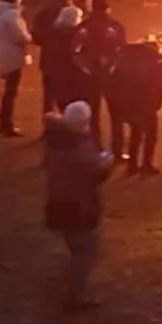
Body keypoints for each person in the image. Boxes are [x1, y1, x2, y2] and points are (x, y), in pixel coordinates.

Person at [42, 101, 113, 313]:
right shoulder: (79, 147)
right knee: (86, 252)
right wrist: (106, 163)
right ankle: (74, 296)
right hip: (78, 205)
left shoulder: (54, 140)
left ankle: (69, 288)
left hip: (57, 200)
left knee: (75, 248)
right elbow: (94, 173)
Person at [70, 0, 126, 150]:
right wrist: (113, 66)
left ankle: (95, 146)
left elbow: (75, 50)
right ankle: (117, 149)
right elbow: (122, 50)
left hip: (90, 76)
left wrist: (85, 68)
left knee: (93, 114)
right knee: (116, 114)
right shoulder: (115, 26)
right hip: (111, 76)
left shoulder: (84, 27)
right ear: (108, 8)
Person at [108, 38, 162, 176]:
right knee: (151, 135)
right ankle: (147, 165)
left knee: (135, 133)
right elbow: (158, 84)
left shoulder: (124, 59)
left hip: (129, 103)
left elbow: (114, 81)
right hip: (146, 102)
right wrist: (157, 103)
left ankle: (132, 166)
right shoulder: (151, 61)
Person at [0, 0, 31, 137]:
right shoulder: (12, 15)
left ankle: (5, 122)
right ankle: (6, 123)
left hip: (3, 53)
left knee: (9, 90)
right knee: (11, 92)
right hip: (13, 56)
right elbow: (20, 36)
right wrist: (29, 37)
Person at [31, 0, 73, 114]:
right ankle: (67, 125)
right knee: (66, 96)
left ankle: (49, 126)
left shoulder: (43, 15)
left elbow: (36, 37)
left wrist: (48, 41)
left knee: (48, 97)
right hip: (66, 62)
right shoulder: (71, 14)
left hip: (48, 60)